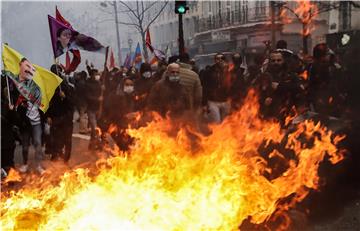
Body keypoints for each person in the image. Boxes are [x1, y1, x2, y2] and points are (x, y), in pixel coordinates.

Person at [3, 58, 46, 174]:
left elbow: (42, 104)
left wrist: (44, 119)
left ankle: (38, 165)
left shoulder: (36, 86)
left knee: (38, 144)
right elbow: (13, 99)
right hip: (25, 123)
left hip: (36, 122)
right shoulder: (17, 87)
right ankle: (25, 164)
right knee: (25, 145)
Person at [46, 64, 75, 163]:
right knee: (56, 137)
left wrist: (65, 97)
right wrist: (48, 116)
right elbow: (46, 103)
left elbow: (72, 103)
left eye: (57, 72)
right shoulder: (49, 86)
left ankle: (66, 158)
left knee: (67, 139)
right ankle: (56, 154)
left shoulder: (66, 86)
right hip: (55, 117)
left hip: (66, 117)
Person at [202, 53, 231, 123]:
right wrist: (204, 103)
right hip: (213, 101)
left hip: (225, 101)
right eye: (218, 59)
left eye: (222, 58)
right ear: (215, 60)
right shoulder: (209, 72)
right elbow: (205, 87)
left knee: (226, 123)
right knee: (216, 122)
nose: (220, 60)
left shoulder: (229, 71)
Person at [85, 68, 102, 150]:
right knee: (94, 127)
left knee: (97, 127)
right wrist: (97, 99)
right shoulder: (87, 84)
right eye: (96, 74)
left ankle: (91, 144)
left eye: (97, 74)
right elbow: (87, 97)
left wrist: (103, 90)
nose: (97, 76)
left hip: (98, 108)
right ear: (91, 75)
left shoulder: (99, 84)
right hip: (91, 109)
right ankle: (99, 144)